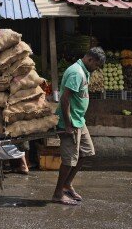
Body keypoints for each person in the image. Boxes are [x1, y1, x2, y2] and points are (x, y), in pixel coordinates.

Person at [52, 47, 105, 206]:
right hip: (71, 123)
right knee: (69, 161)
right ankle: (57, 194)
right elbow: (65, 99)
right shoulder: (76, 72)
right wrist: (67, 125)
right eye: (96, 65)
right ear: (90, 60)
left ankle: (67, 184)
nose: (96, 69)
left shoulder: (84, 71)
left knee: (86, 152)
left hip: (79, 121)